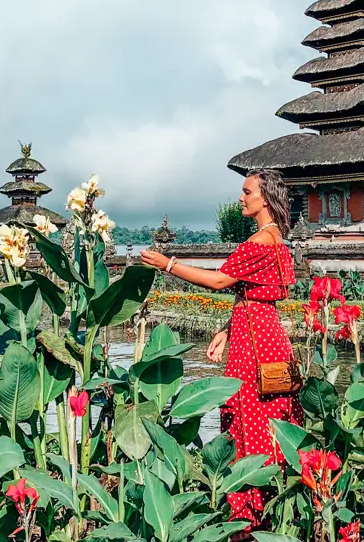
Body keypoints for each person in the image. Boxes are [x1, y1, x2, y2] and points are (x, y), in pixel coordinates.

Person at [141, 169, 303, 526]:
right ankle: (276, 507)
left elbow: (218, 280)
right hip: (265, 332)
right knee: (271, 415)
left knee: (247, 416)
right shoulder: (278, 241)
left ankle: (248, 515)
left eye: (247, 192)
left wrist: (168, 264)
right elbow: (256, 294)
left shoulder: (260, 243)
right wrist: (228, 329)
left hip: (256, 342)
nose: (241, 198)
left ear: (266, 198)